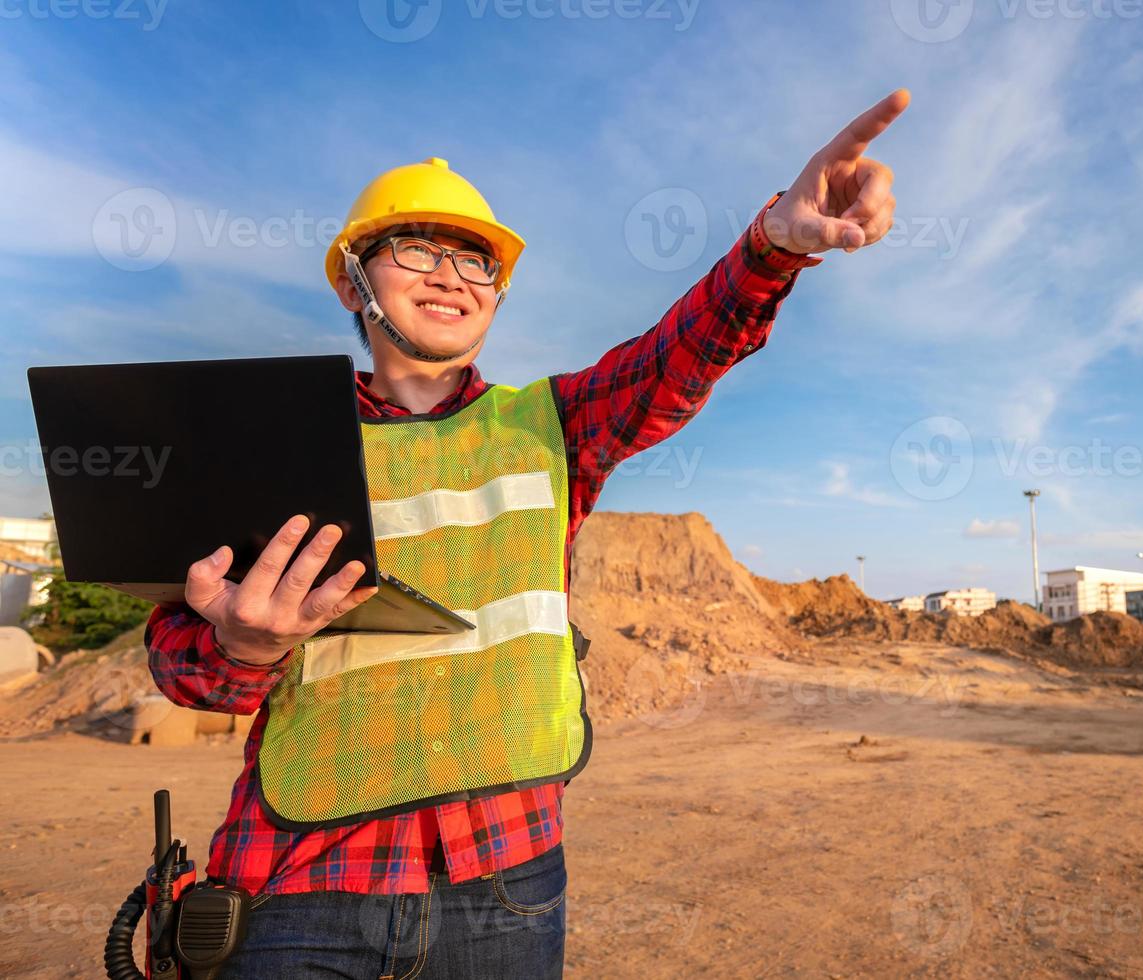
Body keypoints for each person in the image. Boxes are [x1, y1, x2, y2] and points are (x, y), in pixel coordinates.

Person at [145, 89, 908, 979]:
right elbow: (179, 662)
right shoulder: (266, 448)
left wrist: (772, 247)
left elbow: (680, 354)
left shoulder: (551, 427)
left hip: (504, 888)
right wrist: (238, 643)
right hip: (302, 888)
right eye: (417, 249)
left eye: (479, 264)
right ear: (354, 280)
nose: (451, 277)